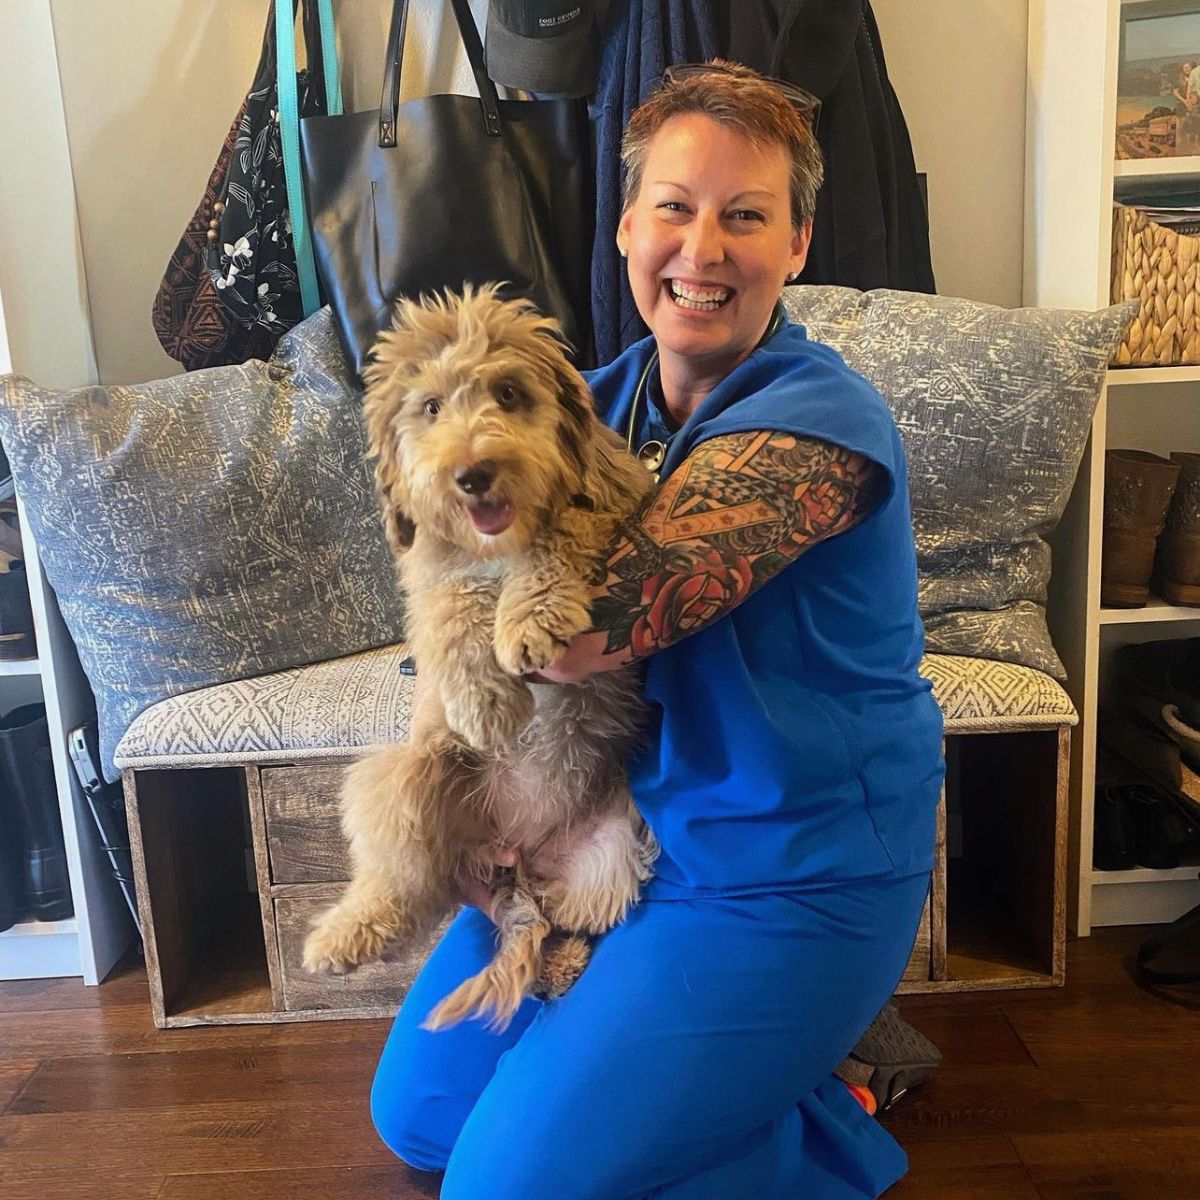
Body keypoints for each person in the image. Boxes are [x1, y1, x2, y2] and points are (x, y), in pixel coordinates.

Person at [369, 60, 945, 1199]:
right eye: (674, 209)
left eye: (745, 216)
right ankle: (753, 1087)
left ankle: (815, 1109)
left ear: (796, 243)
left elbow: (577, 630)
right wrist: (485, 812)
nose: (703, 247)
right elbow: (446, 546)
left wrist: (467, 565)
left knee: (504, 1185)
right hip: (622, 842)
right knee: (420, 1121)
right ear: (627, 225)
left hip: (791, 873)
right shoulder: (601, 394)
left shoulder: (820, 417)